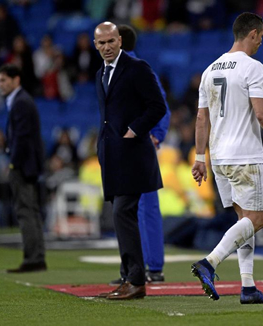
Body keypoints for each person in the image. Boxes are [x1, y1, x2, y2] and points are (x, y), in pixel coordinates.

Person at [190, 12, 263, 304]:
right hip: (246, 155)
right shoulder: (253, 68)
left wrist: (200, 156)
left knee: (244, 220)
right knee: (258, 219)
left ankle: (248, 287)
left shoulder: (210, 70)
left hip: (220, 158)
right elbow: (262, 113)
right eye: (261, 37)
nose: (261, 42)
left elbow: (201, 117)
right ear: (252, 33)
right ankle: (209, 263)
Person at [93, 22, 166, 300]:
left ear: (120, 40)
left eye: (111, 41)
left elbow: (157, 105)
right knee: (119, 214)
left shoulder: (137, 68)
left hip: (134, 155)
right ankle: (128, 277)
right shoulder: (101, 72)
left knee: (123, 213)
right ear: (95, 45)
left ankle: (136, 281)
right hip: (112, 157)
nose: (107, 47)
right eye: (102, 43)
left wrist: (135, 129)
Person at [0, 64, 46, 273]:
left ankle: (33, 258)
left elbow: (22, 138)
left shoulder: (21, 102)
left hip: (23, 166)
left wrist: (14, 163)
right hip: (28, 164)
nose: (1, 85)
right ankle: (36, 257)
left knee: (26, 211)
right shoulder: (20, 101)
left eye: (4, 80)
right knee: (30, 210)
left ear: (16, 80)